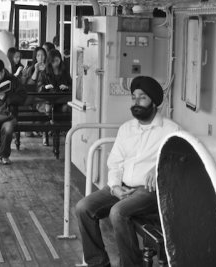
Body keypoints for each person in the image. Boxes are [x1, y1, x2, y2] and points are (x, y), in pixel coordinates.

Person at [76, 76, 180, 267]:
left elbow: (180, 161)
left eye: (142, 98)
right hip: (122, 186)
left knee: (118, 212)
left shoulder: (171, 131)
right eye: (134, 97)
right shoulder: (126, 129)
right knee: (83, 208)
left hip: (148, 191)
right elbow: (114, 162)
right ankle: (98, 263)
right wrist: (115, 186)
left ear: (155, 102)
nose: (136, 102)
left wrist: (158, 169)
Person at [37, 49, 72, 145]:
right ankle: (45, 133)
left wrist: (67, 87)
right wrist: (45, 87)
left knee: (65, 109)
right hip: (48, 100)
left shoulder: (64, 72)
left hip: (61, 100)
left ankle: (61, 131)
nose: (56, 63)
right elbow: (39, 88)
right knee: (48, 109)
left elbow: (71, 85)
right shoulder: (44, 73)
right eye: (53, 61)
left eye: (57, 60)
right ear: (50, 62)